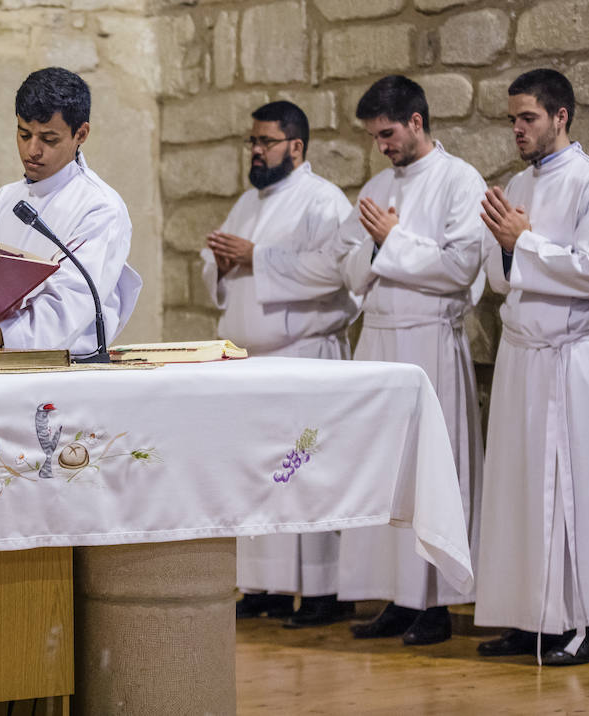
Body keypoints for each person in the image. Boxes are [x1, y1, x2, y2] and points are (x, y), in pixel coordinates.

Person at [474, 68, 589, 665]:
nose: (517, 129)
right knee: (518, 492)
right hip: (522, 357)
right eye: (513, 118)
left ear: (560, 115)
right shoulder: (518, 183)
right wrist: (506, 241)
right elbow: (498, 279)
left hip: (571, 360)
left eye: (528, 118)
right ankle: (528, 619)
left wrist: (526, 240)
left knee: (577, 493)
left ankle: (586, 624)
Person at [328, 76, 487, 646]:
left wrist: (392, 240)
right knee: (385, 471)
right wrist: (376, 246)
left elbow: (461, 266)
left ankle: (436, 604)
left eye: (388, 133)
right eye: (375, 137)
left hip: (429, 344)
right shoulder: (376, 184)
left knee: (430, 473)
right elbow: (344, 262)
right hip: (381, 339)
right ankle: (395, 595)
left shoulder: (459, 181)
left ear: (417, 122)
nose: (383, 146)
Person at [203, 100, 360, 627]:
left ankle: (321, 592)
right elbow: (219, 267)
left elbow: (334, 273)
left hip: (304, 358)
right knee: (259, 477)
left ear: (296, 146)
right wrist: (222, 264)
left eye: (265, 142)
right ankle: (266, 584)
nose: (256, 150)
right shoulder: (248, 201)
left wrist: (258, 258)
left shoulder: (324, 202)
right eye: (252, 141)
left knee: (306, 472)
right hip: (253, 364)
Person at [0, 67, 141, 355]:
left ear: (81, 133)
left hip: (66, 368)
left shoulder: (100, 207)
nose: (32, 150)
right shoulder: (5, 200)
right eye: (24, 134)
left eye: (48, 139)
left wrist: (6, 336)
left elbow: (73, 300)